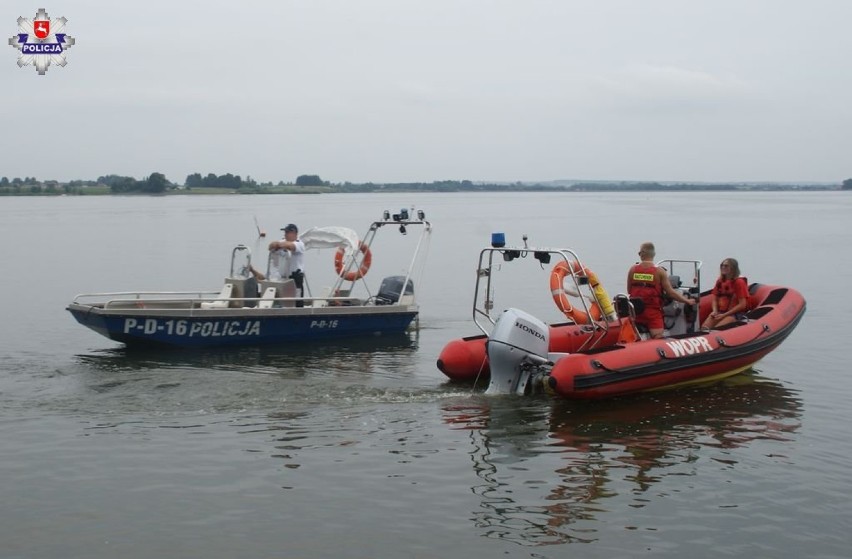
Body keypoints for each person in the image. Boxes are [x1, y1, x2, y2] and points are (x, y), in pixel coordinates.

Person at [627, 242, 696, 339]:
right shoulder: (660, 272)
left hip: (635, 313)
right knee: (658, 336)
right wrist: (687, 301)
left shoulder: (632, 269)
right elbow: (671, 293)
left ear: (642, 253)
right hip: (652, 313)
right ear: (653, 254)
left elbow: (629, 290)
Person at [251, 223, 306, 307]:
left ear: (294, 233)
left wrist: (279, 245)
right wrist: (277, 245)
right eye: (285, 232)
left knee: (297, 301)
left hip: (295, 278)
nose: (285, 234)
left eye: (287, 232)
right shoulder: (282, 242)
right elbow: (271, 246)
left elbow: (290, 246)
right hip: (283, 277)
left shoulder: (299, 244)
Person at [701, 258, 749, 330]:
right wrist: (715, 311)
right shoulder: (720, 281)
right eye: (722, 265)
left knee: (717, 330)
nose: (723, 267)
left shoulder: (739, 282)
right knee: (704, 328)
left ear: (733, 268)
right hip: (720, 312)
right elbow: (714, 299)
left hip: (734, 314)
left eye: (726, 266)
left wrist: (724, 315)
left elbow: (742, 304)